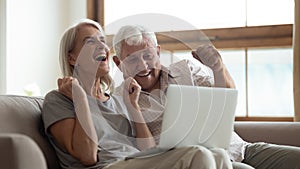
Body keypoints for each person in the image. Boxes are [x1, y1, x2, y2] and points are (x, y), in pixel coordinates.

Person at [42, 18, 233, 169]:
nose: (102, 46)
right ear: (72, 57)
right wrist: (81, 100)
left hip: (137, 162)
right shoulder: (57, 100)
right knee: (198, 155)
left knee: (219, 155)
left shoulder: (118, 100)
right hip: (107, 166)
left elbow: (149, 151)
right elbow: (88, 156)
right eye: (90, 41)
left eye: (103, 40)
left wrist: (133, 108)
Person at [112, 24, 300, 169]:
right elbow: (148, 156)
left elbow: (225, 102)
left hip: (237, 147)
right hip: (202, 163)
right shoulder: (119, 100)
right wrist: (134, 108)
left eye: (147, 56)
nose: (143, 66)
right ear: (119, 63)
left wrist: (218, 69)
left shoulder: (186, 69)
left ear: (158, 52)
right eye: (132, 59)